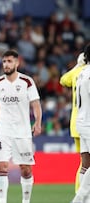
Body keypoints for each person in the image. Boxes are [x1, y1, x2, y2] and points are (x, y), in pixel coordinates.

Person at [0, 50, 42, 203]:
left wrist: (38, 122)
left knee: (25, 169)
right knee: (1, 167)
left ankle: (26, 201)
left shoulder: (27, 82)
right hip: (3, 131)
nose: (6, 64)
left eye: (9, 61)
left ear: (17, 63)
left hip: (22, 131)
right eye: (4, 61)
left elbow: (36, 104)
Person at [59, 52, 86, 193]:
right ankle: (80, 194)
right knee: (85, 163)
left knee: (84, 163)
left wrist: (77, 65)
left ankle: (80, 194)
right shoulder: (87, 73)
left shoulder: (78, 72)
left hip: (76, 122)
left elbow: (63, 80)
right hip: (86, 122)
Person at [71, 44, 90, 203]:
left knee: (86, 163)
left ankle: (84, 198)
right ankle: (81, 197)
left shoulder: (82, 73)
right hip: (89, 123)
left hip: (81, 122)